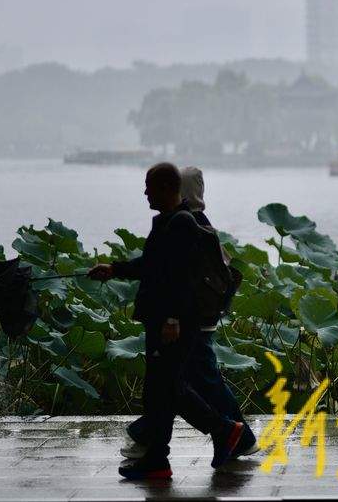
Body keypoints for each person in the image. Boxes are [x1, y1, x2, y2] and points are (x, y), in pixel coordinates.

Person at [89, 162, 250, 479]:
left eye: (149, 186)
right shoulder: (167, 223)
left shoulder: (182, 225)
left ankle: (223, 430)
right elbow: (151, 265)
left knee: (169, 390)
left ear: (166, 188)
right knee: (159, 392)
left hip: (172, 323)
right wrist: (115, 269)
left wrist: (174, 319)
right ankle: (158, 462)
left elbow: (182, 279)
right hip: (161, 320)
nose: (145, 192)